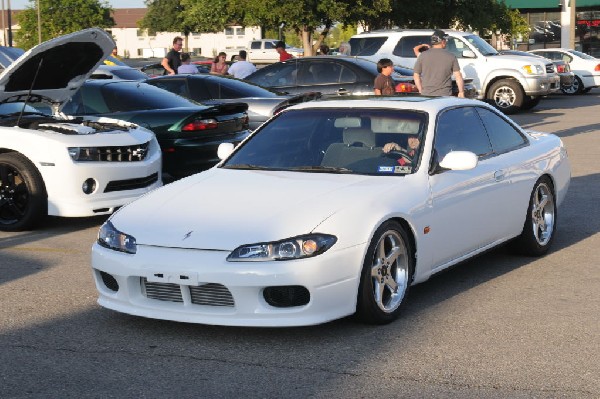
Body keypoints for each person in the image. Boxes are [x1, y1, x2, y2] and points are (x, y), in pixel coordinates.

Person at [413, 30, 464, 97]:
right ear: (443, 41)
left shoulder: (422, 56)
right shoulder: (451, 56)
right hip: (445, 95)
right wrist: (461, 92)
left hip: (426, 95)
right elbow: (458, 76)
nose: (446, 42)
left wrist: (420, 90)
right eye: (445, 40)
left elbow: (416, 75)